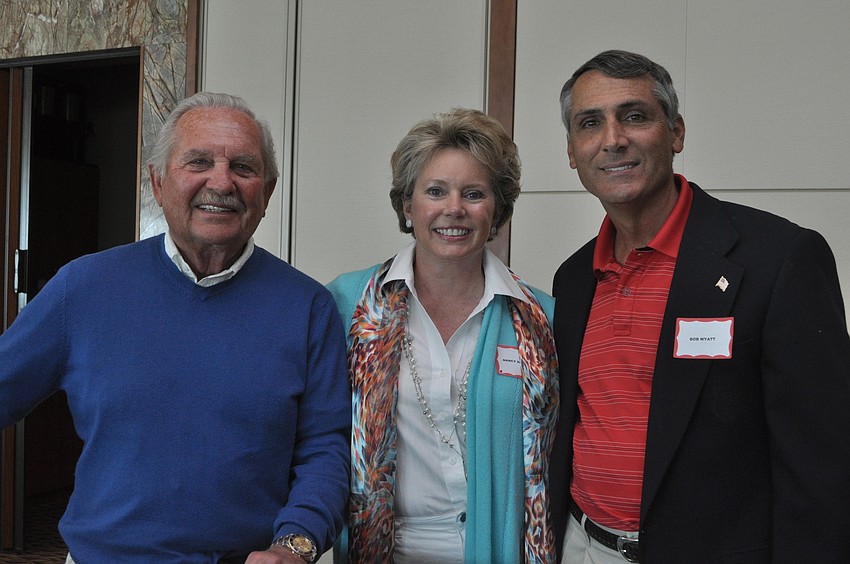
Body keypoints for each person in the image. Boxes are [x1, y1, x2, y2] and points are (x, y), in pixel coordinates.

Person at [0, 92, 350, 563]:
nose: (221, 182)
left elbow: (325, 450)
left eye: (243, 167)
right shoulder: (83, 287)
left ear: (266, 194)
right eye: (199, 162)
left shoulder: (307, 306)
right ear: (158, 182)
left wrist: (296, 545)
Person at [549, 49, 850, 563]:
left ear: (677, 132)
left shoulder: (778, 259)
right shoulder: (574, 278)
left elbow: (823, 464)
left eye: (635, 116)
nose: (613, 139)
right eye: (590, 123)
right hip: (583, 547)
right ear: (573, 151)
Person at [327, 108, 560, 563]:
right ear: (406, 205)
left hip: (501, 550)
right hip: (385, 551)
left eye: (474, 194)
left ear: (497, 210)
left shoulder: (540, 317)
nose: (454, 208)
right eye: (435, 191)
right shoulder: (348, 304)